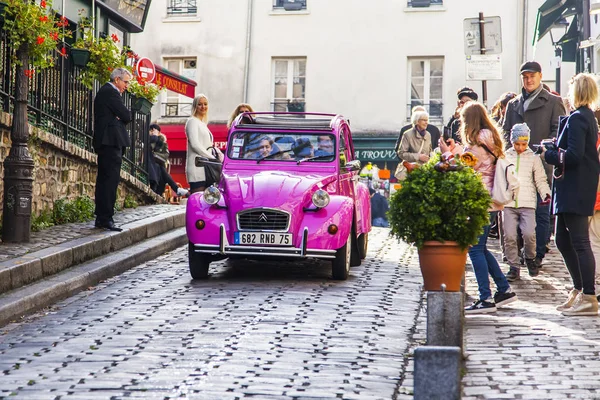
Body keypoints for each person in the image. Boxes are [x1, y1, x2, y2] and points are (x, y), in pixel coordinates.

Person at [440, 102, 517, 314]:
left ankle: (485, 298)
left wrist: (447, 153)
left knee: (474, 249)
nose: (462, 125)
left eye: (464, 120)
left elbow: (465, 166)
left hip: (479, 201)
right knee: (481, 247)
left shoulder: (477, 141)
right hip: (491, 200)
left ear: (470, 120)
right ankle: (503, 289)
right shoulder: (489, 136)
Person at [541, 73, 600, 316]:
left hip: (575, 188)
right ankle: (579, 289)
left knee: (579, 242)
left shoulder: (579, 118)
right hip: (574, 187)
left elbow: (574, 156)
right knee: (562, 240)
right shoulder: (585, 117)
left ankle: (588, 295)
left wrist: (550, 155)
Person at [503, 61, 567, 269]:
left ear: (540, 76)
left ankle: (536, 255)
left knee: (540, 215)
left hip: (541, 167)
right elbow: (505, 133)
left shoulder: (553, 101)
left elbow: (558, 132)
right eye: (525, 77)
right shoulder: (513, 104)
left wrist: (543, 151)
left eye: (532, 76)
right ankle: (516, 256)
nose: (528, 80)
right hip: (515, 169)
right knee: (514, 211)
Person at [502, 123, 551, 282]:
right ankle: (513, 266)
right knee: (509, 235)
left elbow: (540, 179)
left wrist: (545, 193)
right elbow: (500, 177)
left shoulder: (533, 157)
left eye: (524, 144)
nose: (520, 147)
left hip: (528, 203)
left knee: (529, 233)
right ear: (512, 141)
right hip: (509, 203)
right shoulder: (505, 156)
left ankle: (530, 258)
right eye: (517, 144)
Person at [93, 67, 133, 232]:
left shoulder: (107, 92)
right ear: (117, 79)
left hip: (108, 141)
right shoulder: (110, 92)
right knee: (109, 181)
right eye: (125, 82)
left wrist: (119, 116)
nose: (126, 86)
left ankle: (102, 217)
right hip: (109, 142)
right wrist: (119, 116)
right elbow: (126, 115)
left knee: (105, 180)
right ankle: (105, 218)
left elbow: (122, 115)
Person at [185, 94, 222, 193]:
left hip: (206, 167)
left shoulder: (202, 123)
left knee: (207, 200)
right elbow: (195, 144)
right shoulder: (192, 122)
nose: (203, 107)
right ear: (195, 106)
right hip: (197, 166)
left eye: (205, 104)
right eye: (200, 104)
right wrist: (212, 158)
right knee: (198, 200)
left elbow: (208, 145)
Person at [149, 124, 189, 198]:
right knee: (161, 169)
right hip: (152, 166)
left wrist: (154, 155)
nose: (152, 132)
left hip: (159, 166)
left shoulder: (162, 143)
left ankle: (176, 189)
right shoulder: (149, 140)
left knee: (160, 168)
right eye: (151, 131)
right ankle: (176, 189)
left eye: (154, 131)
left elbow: (165, 155)